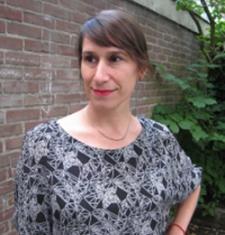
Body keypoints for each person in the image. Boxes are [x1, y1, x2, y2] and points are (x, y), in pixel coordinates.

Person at [14, 9, 202, 235]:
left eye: (115, 58)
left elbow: (192, 181)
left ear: (140, 68)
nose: (100, 76)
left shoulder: (159, 139)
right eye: (90, 59)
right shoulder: (44, 145)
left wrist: (178, 229)